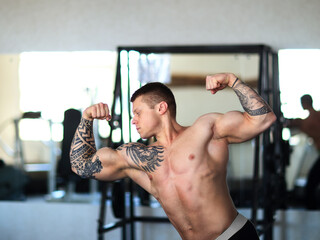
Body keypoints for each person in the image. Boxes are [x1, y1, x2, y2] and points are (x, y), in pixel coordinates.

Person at [70, 73, 276, 240]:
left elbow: (264, 119)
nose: (134, 121)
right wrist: (87, 118)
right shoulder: (135, 156)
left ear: (161, 108)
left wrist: (232, 80)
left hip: (233, 236)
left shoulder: (206, 129)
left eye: (138, 113)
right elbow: (80, 166)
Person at [286, 94, 320, 209]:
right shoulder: (317, 115)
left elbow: (297, 124)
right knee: (312, 182)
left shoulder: (306, 122)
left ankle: (311, 210)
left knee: (311, 183)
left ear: (305, 103)